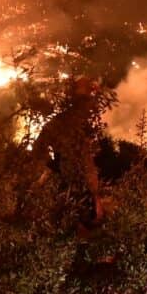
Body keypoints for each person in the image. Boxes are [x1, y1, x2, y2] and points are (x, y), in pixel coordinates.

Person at [32, 76, 104, 228]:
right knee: (84, 222)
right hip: (76, 178)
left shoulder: (59, 123)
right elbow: (39, 148)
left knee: (73, 221)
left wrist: (53, 166)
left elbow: (38, 148)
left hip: (71, 178)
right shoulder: (73, 120)